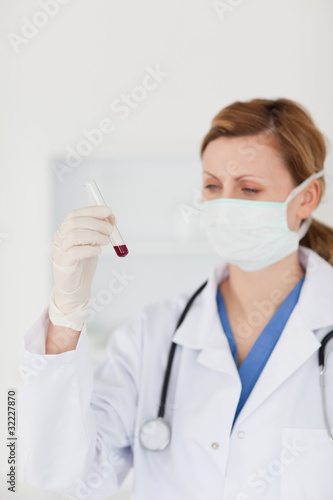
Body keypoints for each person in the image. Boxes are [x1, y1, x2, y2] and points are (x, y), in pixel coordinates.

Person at [18, 98, 333, 500]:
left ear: (307, 197)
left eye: (249, 188)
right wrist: (66, 313)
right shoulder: (152, 334)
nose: (224, 205)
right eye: (213, 186)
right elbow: (60, 475)